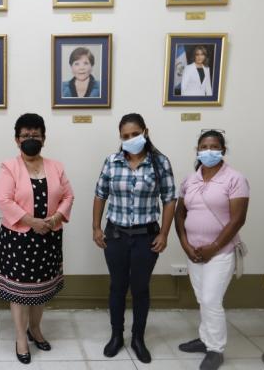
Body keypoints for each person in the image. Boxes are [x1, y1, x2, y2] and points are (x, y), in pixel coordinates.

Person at [92, 113, 177, 364]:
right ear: (120, 137)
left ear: (145, 132)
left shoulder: (159, 163)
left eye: (135, 134)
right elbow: (100, 194)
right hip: (115, 235)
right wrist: (96, 227)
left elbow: (170, 198)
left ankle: (138, 338)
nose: (130, 139)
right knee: (117, 286)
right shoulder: (112, 161)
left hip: (146, 237)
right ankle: (116, 336)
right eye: (125, 136)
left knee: (140, 288)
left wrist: (164, 233)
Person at [0, 113, 74, 364]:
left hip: (49, 237)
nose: (31, 139)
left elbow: (68, 196)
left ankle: (36, 329)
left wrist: (53, 220)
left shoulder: (56, 166)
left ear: (44, 138)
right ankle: (20, 337)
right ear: (17, 140)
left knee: (42, 289)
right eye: (26, 135)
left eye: (36, 135)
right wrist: (32, 222)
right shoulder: (9, 166)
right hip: (18, 238)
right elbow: (4, 199)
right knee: (20, 291)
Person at [174, 130, 249, 370]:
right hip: (194, 250)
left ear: (223, 151)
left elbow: (238, 219)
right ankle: (205, 339)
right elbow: (179, 213)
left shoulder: (235, 179)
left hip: (221, 250)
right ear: (197, 151)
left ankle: (216, 349)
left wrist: (214, 247)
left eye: (214, 147)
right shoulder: (190, 180)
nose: (208, 151)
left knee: (211, 299)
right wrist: (186, 245)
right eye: (204, 147)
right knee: (201, 297)